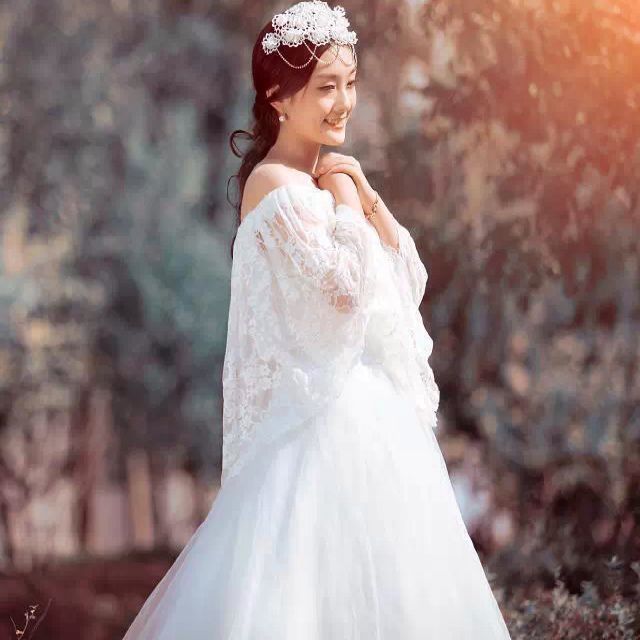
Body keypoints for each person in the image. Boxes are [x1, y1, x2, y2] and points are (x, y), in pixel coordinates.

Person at [122, 2, 512, 638]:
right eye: (326, 87)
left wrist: (363, 193)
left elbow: (406, 277)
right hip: (317, 429)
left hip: (373, 424)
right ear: (278, 97)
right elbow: (346, 291)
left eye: (350, 83)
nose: (344, 102)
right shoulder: (275, 184)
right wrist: (348, 196)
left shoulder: (326, 178)